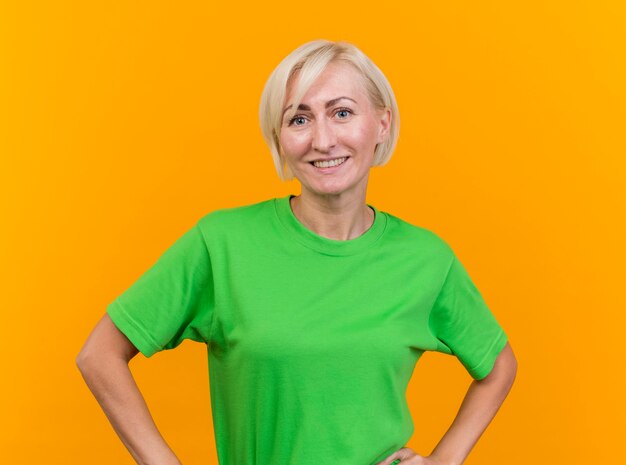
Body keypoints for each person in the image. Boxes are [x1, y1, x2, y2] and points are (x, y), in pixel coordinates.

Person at [76, 39, 517, 465]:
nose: (322, 141)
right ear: (280, 135)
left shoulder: (425, 259)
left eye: (342, 112)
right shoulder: (222, 243)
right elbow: (99, 354)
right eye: (299, 119)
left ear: (381, 123)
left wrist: (446, 458)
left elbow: (498, 366)